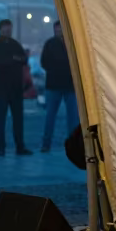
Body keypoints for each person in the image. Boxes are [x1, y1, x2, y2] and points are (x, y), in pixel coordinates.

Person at [0, 19, 32, 156]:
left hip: (16, 89)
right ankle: (1, 148)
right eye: (6, 28)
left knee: (18, 119)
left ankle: (20, 146)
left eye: (10, 28)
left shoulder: (15, 44)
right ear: (0, 29)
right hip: (1, 89)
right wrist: (14, 59)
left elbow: (24, 59)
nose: (8, 30)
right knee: (0, 119)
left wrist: (12, 59)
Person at [40, 21, 79, 152]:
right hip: (55, 85)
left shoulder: (72, 43)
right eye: (57, 30)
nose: (59, 32)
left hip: (68, 85)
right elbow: (43, 62)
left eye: (61, 29)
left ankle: (73, 145)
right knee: (51, 116)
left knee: (72, 118)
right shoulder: (51, 44)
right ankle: (46, 143)